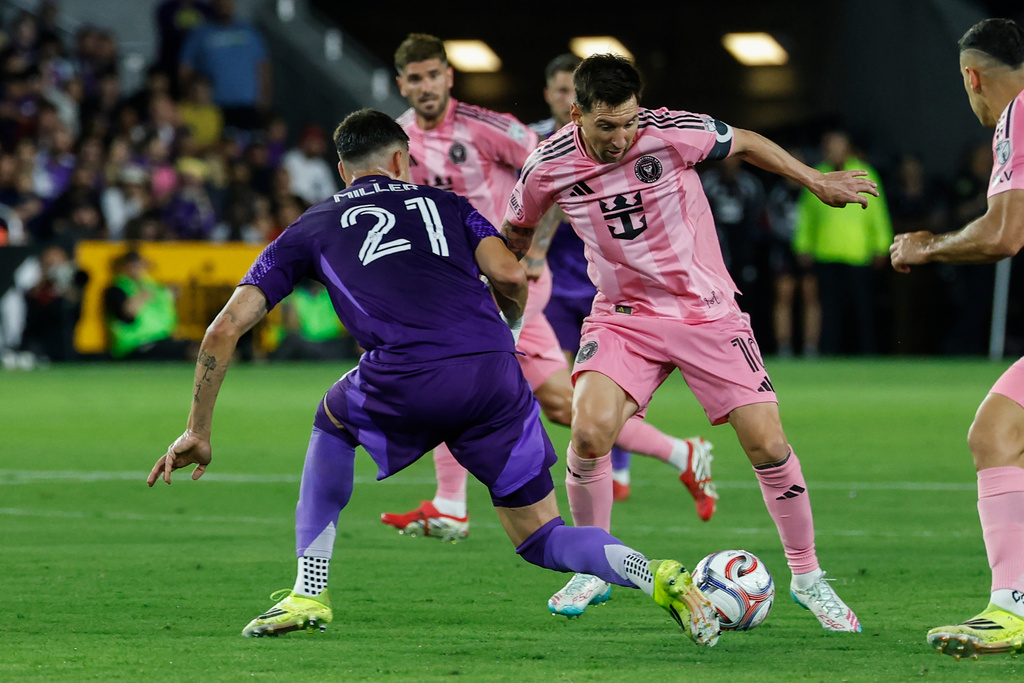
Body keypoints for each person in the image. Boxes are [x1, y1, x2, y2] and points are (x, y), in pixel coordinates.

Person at [145, 109, 721, 648]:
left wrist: (198, 428)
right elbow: (510, 275)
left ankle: (308, 593)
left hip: (407, 373)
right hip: (494, 373)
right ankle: (655, 574)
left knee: (332, 420)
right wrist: (510, 329)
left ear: (343, 170)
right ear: (402, 161)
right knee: (542, 537)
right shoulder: (448, 204)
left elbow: (224, 331)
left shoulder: (312, 226)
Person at [503, 54, 877, 632]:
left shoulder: (671, 133)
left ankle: (808, 578)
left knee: (768, 445)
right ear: (576, 114)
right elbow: (517, 230)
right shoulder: (546, 165)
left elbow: (747, 141)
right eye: (606, 126)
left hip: (705, 311)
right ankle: (595, 564)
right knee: (588, 430)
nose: (622, 137)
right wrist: (506, 275)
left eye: (629, 122)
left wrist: (816, 180)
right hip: (624, 316)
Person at [381, 37, 715, 573]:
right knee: (563, 405)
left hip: (503, 284)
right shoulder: (398, 140)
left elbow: (555, 171)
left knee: (450, 374)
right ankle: (682, 453)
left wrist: (530, 248)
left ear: (449, 76)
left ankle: (450, 505)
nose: (424, 87)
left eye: (432, 76)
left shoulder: (488, 127)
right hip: (452, 289)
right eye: (413, 79)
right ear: (402, 84)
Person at [890, 17, 1024, 658]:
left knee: (997, 434)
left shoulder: (1018, 114)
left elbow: (1003, 234)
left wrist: (928, 246)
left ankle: (1012, 609)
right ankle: (1013, 606)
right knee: (998, 433)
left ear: (972, 77)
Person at [793, 130, 892, 355]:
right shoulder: (818, 174)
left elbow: (878, 214)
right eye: (830, 146)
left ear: (847, 147)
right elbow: (806, 215)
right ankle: (829, 353)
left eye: (839, 146)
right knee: (829, 309)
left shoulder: (865, 173)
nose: (835, 151)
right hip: (825, 252)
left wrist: (881, 245)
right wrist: (802, 245)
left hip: (857, 253)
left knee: (862, 308)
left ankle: (867, 353)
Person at [178, 0, 270, 131]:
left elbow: (263, 67)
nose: (224, 6)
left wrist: (264, 101)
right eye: (220, 2)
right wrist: (191, 97)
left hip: (247, 106)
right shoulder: (200, 33)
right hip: (214, 108)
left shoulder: (249, 32)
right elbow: (185, 68)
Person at [104, 250, 191, 360]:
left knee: (200, 347)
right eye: (133, 265)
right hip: (135, 345)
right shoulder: (117, 289)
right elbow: (127, 314)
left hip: (162, 338)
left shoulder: (151, 285)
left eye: (139, 264)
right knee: (191, 351)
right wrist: (143, 296)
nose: (137, 269)